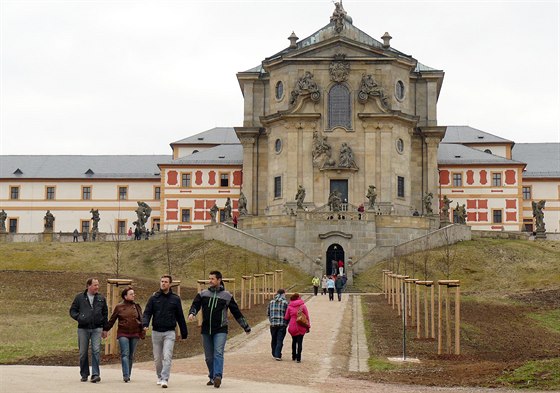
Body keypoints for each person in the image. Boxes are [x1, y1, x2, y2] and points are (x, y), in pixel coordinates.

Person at [188, 271, 251, 389]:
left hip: (221, 329)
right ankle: (212, 376)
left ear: (219, 280)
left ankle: (218, 376)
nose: (210, 281)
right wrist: (192, 313)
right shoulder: (203, 294)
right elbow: (195, 305)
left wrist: (245, 326)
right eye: (209, 279)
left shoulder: (227, 296)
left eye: (212, 279)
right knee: (208, 357)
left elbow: (236, 312)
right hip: (206, 329)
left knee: (218, 353)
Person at [143, 275, 188, 389]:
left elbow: (180, 316)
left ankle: (164, 378)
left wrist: (184, 332)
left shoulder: (175, 299)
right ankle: (159, 376)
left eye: (166, 282)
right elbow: (147, 312)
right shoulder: (154, 298)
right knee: (157, 358)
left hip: (169, 332)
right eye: (162, 281)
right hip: (156, 331)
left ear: (170, 284)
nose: (163, 283)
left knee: (167, 356)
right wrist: (145, 324)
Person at [69, 278, 108, 383]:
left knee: (96, 350)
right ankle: (84, 373)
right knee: (83, 352)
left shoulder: (101, 298)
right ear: (88, 286)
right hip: (83, 329)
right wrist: (79, 317)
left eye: (98, 285)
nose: (97, 287)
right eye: (95, 285)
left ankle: (95, 374)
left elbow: (105, 314)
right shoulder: (79, 298)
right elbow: (72, 311)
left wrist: (105, 329)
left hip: (97, 328)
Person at [104, 287, 144, 382]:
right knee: (125, 354)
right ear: (125, 296)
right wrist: (105, 329)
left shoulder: (137, 306)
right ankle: (125, 375)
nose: (133, 295)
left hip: (135, 333)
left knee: (131, 355)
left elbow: (141, 320)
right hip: (123, 333)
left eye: (133, 294)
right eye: (131, 294)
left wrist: (143, 330)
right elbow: (112, 320)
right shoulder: (119, 307)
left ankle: (128, 373)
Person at [284, 293, 310, 363]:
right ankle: (299, 357)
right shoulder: (303, 306)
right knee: (300, 342)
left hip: (292, 325)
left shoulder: (289, 306)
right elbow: (307, 317)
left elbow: (286, 317)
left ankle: (293, 356)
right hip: (301, 325)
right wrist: (308, 326)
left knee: (294, 341)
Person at [267, 289, 288, 361]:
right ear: (283, 294)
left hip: (273, 324)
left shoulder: (271, 302)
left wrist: (271, 320)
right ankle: (278, 354)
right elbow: (287, 314)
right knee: (280, 339)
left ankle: (274, 353)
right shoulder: (285, 302)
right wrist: (286, 322)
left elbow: (268, 313)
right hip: (282, 324)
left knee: (274, 339)